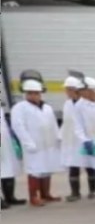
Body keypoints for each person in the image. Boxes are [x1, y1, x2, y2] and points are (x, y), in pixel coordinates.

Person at [10, 79, 62, 207]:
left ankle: (46, 194)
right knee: (35, 170)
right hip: (33, 145)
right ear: (25, 94)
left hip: (48, 143)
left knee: (47, 169)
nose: (33, 95)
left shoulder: (47, 108)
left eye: (36, 93)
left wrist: (58, 138)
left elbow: (53, 124)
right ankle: (34, 197)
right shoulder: (20, 108)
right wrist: (28, 142)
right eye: (30, 93)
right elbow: (18, 126)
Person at [59, 75, 95, 201]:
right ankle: (75, 192)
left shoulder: (85, 103)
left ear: (75, 89)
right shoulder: (67, 104)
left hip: (85, 139)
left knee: (90, 165)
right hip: (71, 140)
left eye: (68, 89)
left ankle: (93, 190)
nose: (66, 92)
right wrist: (60, 136)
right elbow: (66, 122)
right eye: (66, 90)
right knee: (73, 166)